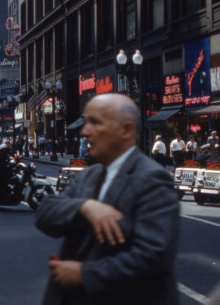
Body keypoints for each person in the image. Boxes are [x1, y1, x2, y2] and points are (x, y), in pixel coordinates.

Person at [35, 93, 180, 305]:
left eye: (95, 123)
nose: (85, 132)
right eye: (86, 122)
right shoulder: (89, 175)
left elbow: (152, 258)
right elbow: (45, 213)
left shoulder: (153, 180)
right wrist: (86, 207)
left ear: (126, 130)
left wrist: (83, 273)